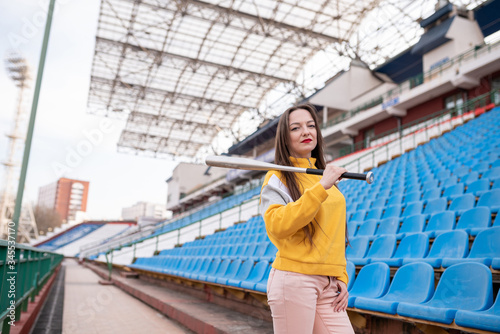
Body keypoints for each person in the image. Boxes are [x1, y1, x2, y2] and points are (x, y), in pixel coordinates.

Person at [259, 103, 354, 334]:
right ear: (284, 137)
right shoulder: (277, 177)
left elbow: (335, 233)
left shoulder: (326, 178)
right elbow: (277, 226)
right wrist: (321, 187)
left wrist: (341, 275)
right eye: (296, 128)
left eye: (311, 126)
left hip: (329, 283)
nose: (306, 132)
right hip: (294, 280)